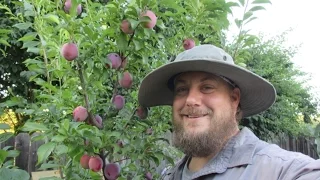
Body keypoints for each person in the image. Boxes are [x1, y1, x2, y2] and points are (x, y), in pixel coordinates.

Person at [137, 44, 320, 180]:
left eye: (207, 87)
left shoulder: (278, 169)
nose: (190, 100)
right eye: (181, 90)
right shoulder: (170, 175)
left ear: (234, 98)